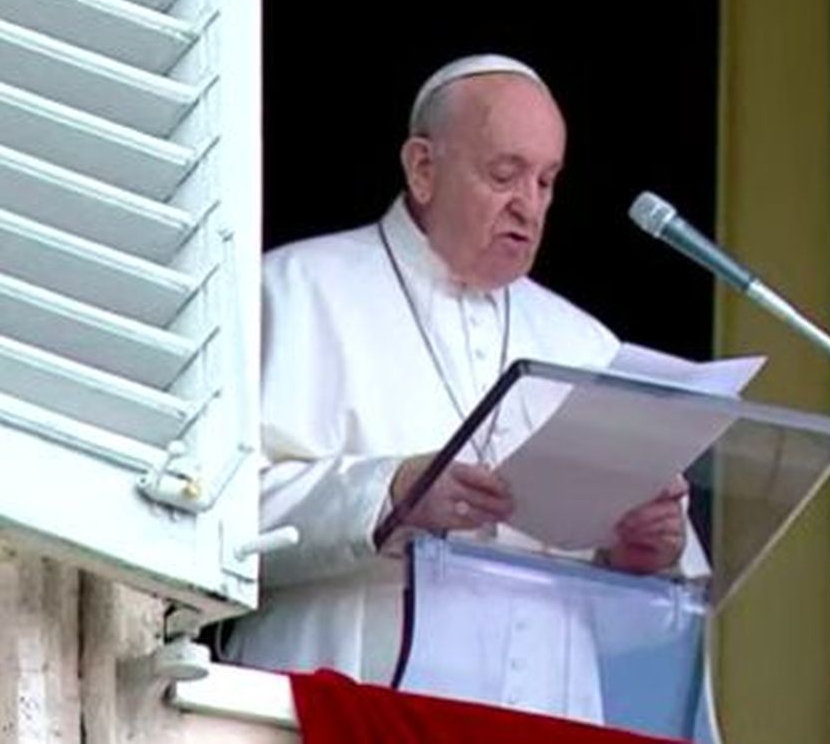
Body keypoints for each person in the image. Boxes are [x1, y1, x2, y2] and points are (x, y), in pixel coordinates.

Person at [224, 55, 698, 722]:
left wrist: (641, 555)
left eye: (546, 181)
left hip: (545, 718)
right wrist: (388, 496)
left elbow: (646, 632)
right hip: (348, 710)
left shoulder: (585, 344)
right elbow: (214, 521)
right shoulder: (294, 292)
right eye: (504, 175)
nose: (527, 206)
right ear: (422, 169)